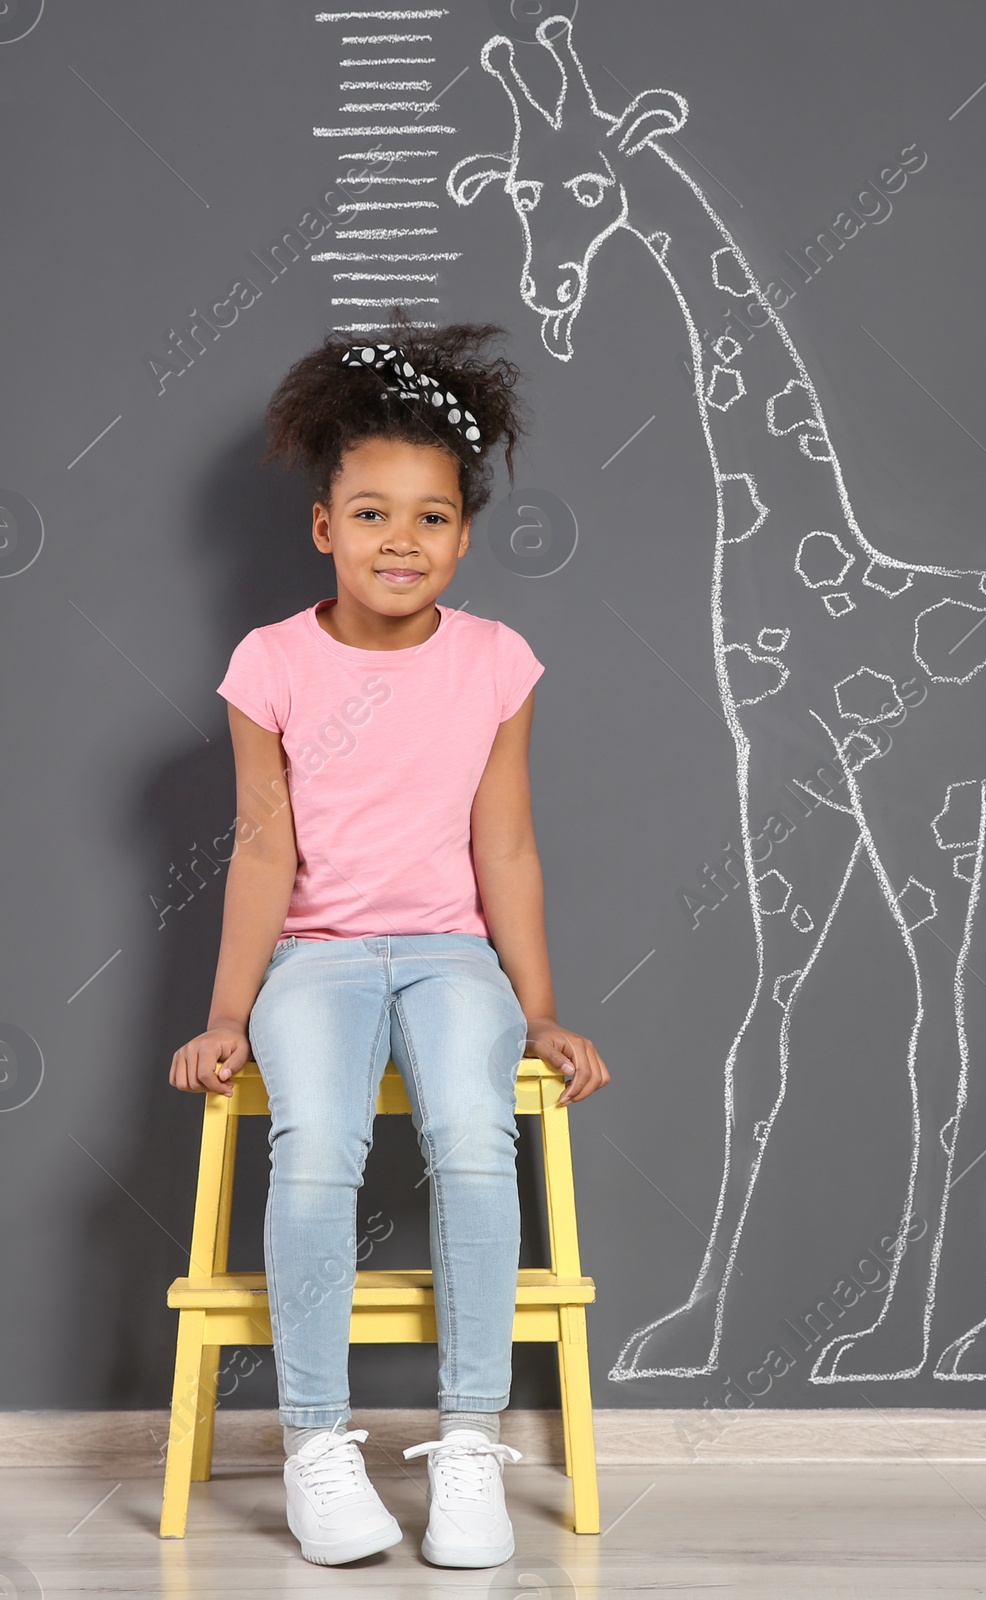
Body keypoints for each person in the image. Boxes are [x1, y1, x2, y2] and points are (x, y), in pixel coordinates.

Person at [168, 310, 610, 1569]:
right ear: (324, 526)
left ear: (464, 536)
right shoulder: (270, 665)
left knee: (478, 1138)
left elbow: (507, 847)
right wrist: (223, 1011)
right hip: (314, 956)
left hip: (451, 953)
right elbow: (262, 850)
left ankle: (468, 1440)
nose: (399, 540)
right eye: (370, 512)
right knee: (316, 1144)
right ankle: (318, 1443)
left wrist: (538, 1008)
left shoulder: (496, 663)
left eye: (429, 516)